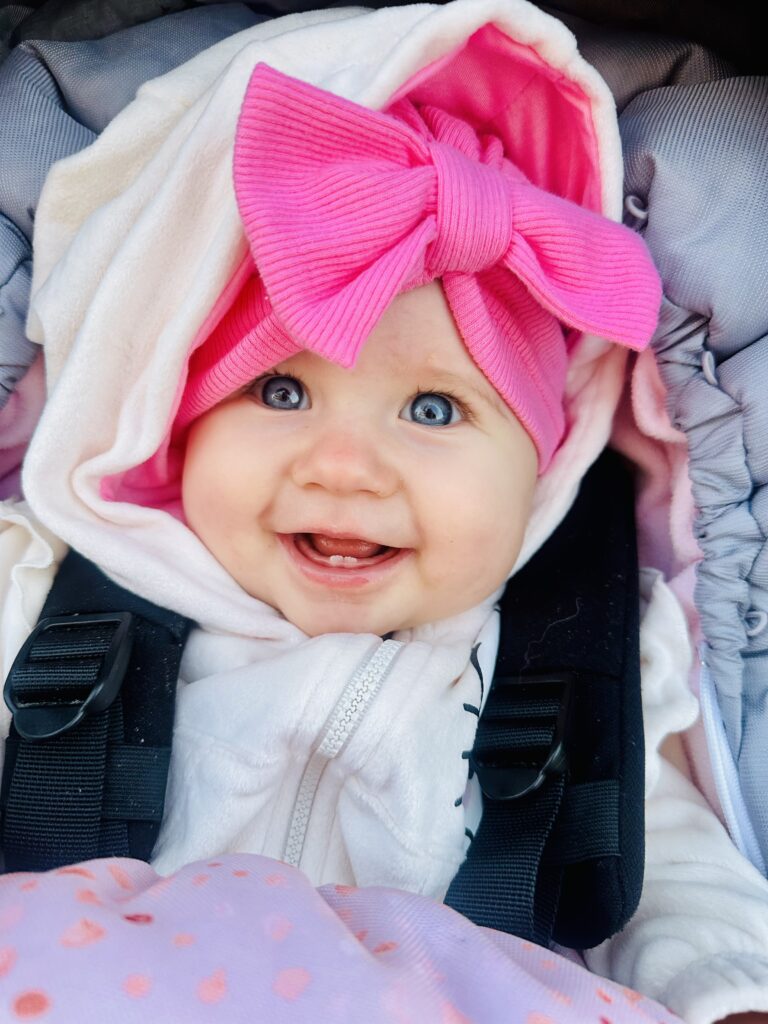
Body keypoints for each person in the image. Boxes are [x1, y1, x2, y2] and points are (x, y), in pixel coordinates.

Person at [2, 2, 768, 1022]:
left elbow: (679, 879)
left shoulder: (592, 653)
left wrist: (727, 988)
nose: (344, 467)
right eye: (280, 391)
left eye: (434, 409)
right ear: (172, 425)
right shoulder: (47, 598)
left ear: (541, 466)